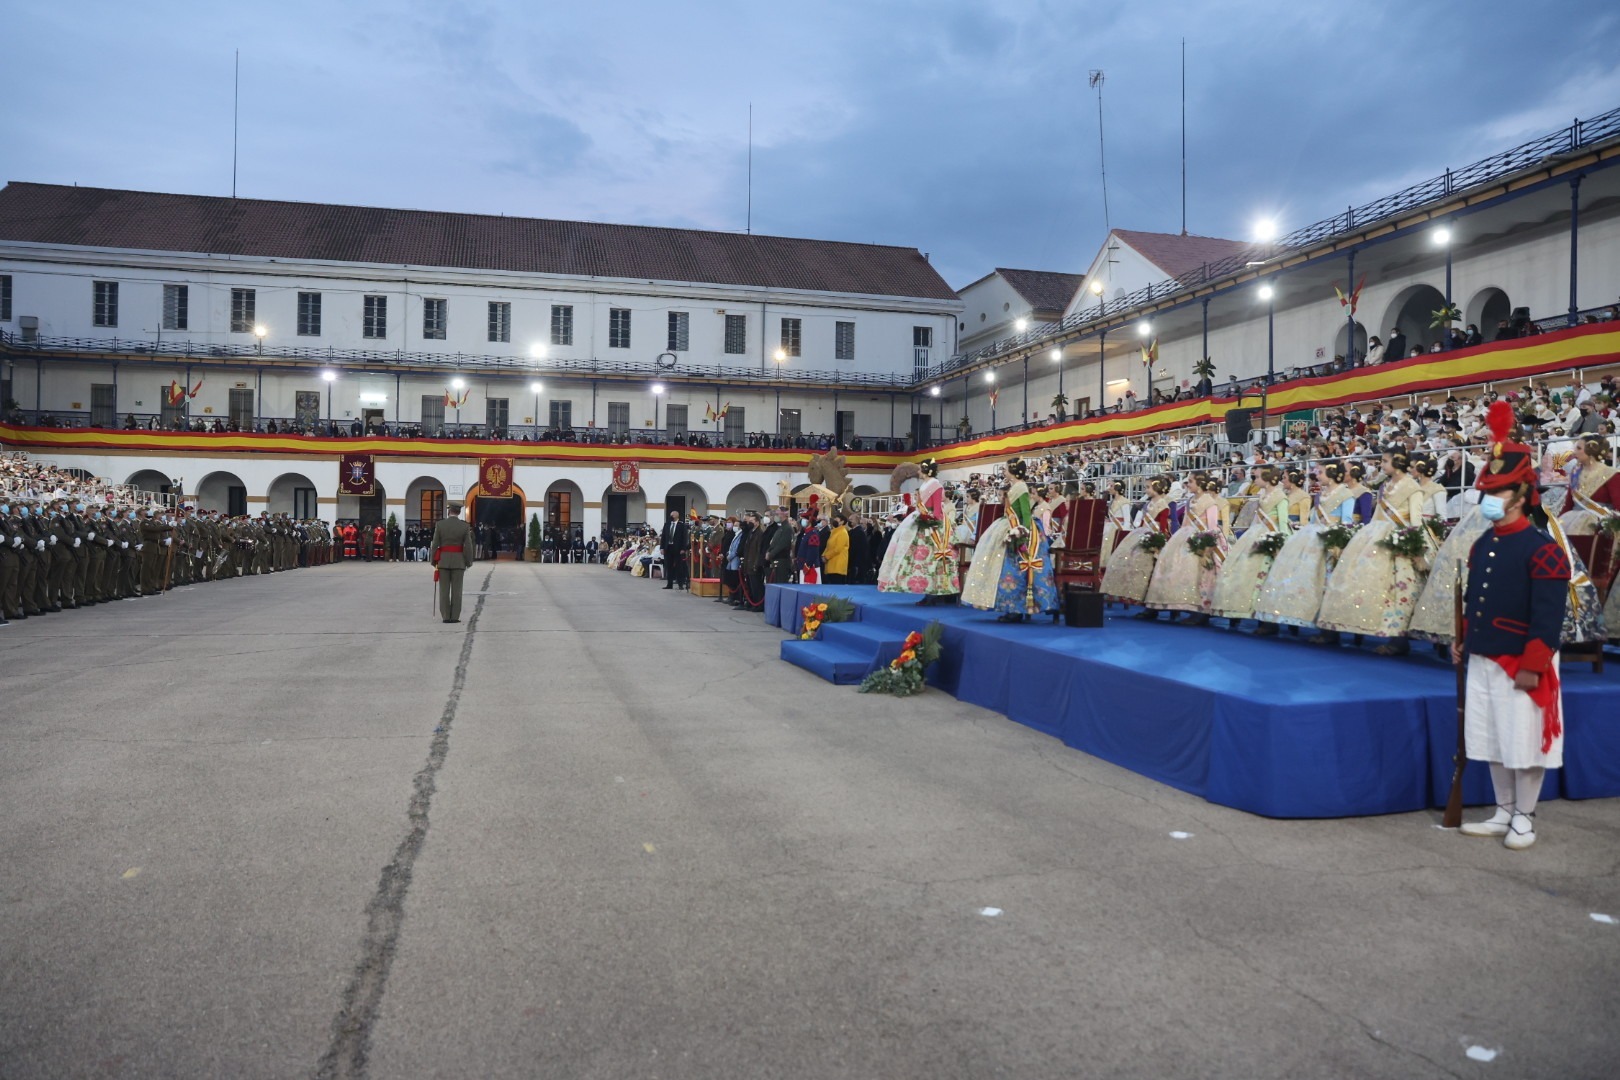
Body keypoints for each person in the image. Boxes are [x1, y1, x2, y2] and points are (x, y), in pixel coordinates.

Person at [1454, 403, 1570, 850]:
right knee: (1492, 736)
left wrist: (1534, 664)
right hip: (1485, 653)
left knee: (1524, 740)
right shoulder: (1484, 542)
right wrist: (1465, 640)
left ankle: (1525, 815)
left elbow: (1548, 615)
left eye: (1498, 492)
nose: (1489, 498)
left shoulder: (1542, 550)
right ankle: (1503, 811)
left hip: (1521, 658)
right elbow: (1475, 598)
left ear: (1522, 496)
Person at [431, 502, 475, 623]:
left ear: (449, 511)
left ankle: (446, 616)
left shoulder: (440, 524)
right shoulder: (464, 526)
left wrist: (433, 561)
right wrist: (468, 561)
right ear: (459, 512)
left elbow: (434, 544)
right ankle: (455, 616)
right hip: (459, 561)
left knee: (444, 590)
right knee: (457, 590)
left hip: (443, 561)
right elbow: (468, 546)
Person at [659, 510, 689, 590]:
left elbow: (684, 538)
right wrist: (662, 547)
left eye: (672, 515)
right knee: (669, 566)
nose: (671, 516)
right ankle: (669, 584)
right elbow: (663, 537)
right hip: (668, 548)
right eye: (670, 515)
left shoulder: (681, 525)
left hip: (678, 549)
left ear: (677, 516)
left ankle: (680, 584)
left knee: (679, 567)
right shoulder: (667, 524)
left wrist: (683, 548)